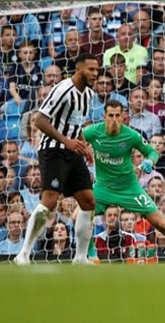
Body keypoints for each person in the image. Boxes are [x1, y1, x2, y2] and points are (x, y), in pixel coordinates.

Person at [83, 100, 165, 264]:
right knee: (79, 216)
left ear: (123, 117)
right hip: (103, 188)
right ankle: (93, 256)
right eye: (111, 116)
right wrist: (84, 150)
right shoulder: (93, 132)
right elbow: (75, 141)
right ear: (104, 116)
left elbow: (152, 152)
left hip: (130, 189)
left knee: (162, 224)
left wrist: (150, 162)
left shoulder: (131, 135)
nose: (114, 119)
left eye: (118, 116)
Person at [14, 54, 99, 265]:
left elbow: (76, 123)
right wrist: (66, 141)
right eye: (92, 70)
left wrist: (84, 145)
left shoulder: (87, 94)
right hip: (52, 150)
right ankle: (23, 254)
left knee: (88, 201)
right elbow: (41, 121)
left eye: (97, 70)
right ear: (79, 70)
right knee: (50, 201)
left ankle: (80, 257)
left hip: (72, 150)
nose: (96, 74)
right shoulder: (63, 89)